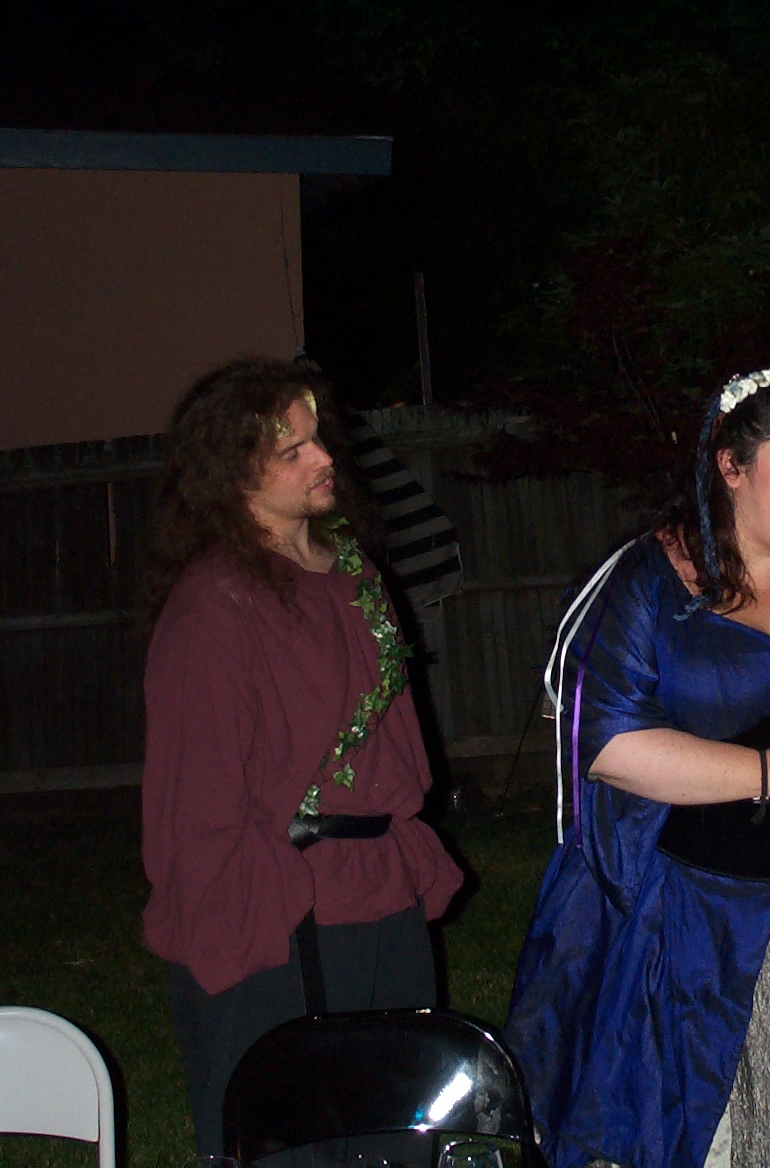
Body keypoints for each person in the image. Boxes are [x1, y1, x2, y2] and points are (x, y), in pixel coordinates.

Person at [504, 369, 770, 1168]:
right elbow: (605, 745)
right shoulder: (648, 585)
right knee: (693, 1122)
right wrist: (766, 772)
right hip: (684, 914)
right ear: (731, 466)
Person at [139, 357, 463, 1158]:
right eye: (294, 451)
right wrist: (241, 938)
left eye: (318, 439)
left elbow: (398, 745)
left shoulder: (354, 570)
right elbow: (195, 801)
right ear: (232, 474)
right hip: (287, 915)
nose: (324, 459)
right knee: (300, 1137)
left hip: (377, 894)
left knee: (397, 1122)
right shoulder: (214, 606)